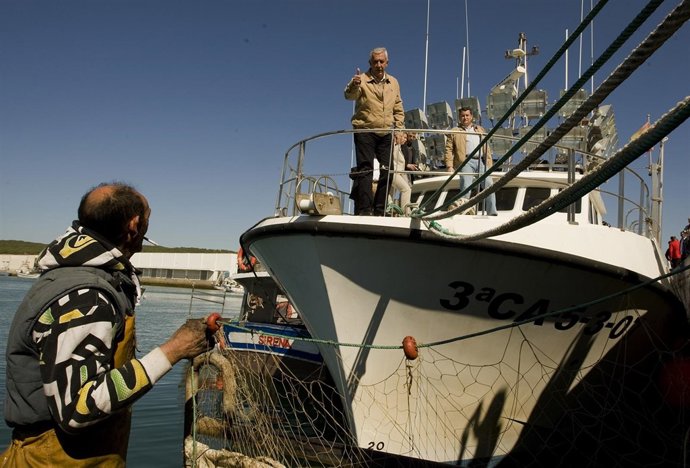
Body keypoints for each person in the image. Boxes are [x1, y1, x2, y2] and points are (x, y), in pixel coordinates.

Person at [2, 182, 209, 467]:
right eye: (148, 219)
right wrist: (173, 350)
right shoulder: (87, 296)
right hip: (54, 460)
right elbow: (77, 408)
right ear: (134, 226)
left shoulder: (72, 276)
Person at [345, 47, 405, 215]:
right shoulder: (361, 79)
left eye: (381, 61)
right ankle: (364, 211)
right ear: (370, 63)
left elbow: (398, 107)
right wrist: (354, 85)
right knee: (366, 170)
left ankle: (380, 210)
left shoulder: (394, 82)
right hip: (365, 130)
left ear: (387, 63)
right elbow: (349, 95)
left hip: (386, 132)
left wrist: (399, 129)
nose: (378, 64)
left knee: (388, 171)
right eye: (375, 61)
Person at [443, 107, 498, 215]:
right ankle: (463, 211)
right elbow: (448, 149)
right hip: (465, 161)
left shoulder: (480, 130)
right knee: (466, 187)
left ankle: (492, 212)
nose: (465, 118)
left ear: (471, 116)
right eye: (463, 116)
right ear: (459, 117)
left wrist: (489, 163)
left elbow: (487, 147)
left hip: (481, 161)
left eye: (467, 115)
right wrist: (449, 165)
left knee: (489, 185)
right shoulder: (454, 131)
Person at [391, 132, 419, 212]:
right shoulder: (393, 146)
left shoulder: (398, 147)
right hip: (394, 172)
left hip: (399, 173)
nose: (405, 140)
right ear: (398, 137)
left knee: (392, 192)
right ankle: (406, 212)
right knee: (406, 189)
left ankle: (391, 209)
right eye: (404, 137)